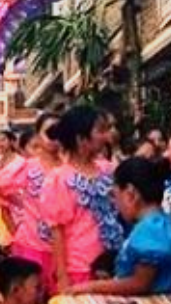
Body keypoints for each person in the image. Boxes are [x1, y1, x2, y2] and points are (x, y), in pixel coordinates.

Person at [69, 158, 171, 298]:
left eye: (115, 196)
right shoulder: (158, 224)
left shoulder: (151, 230)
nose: (115, 204)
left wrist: (92, 287)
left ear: (131, 194)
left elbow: (140, 283)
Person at [43, 107, 123, 293]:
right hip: (79, 271)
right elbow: (57, 233)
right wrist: (63, 278)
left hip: (114, 267)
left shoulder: (108, 170)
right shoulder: (58, 179)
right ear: (81, 139)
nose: (106, 136)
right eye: (100, 130)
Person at [0, 114, 61, 285]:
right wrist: (23, 203)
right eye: (49, 132)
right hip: (32, 245)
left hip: (65, 248)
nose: (55, 137)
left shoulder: (70, 166)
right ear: (39, 136)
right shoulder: (28, 166)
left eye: (59, 132)